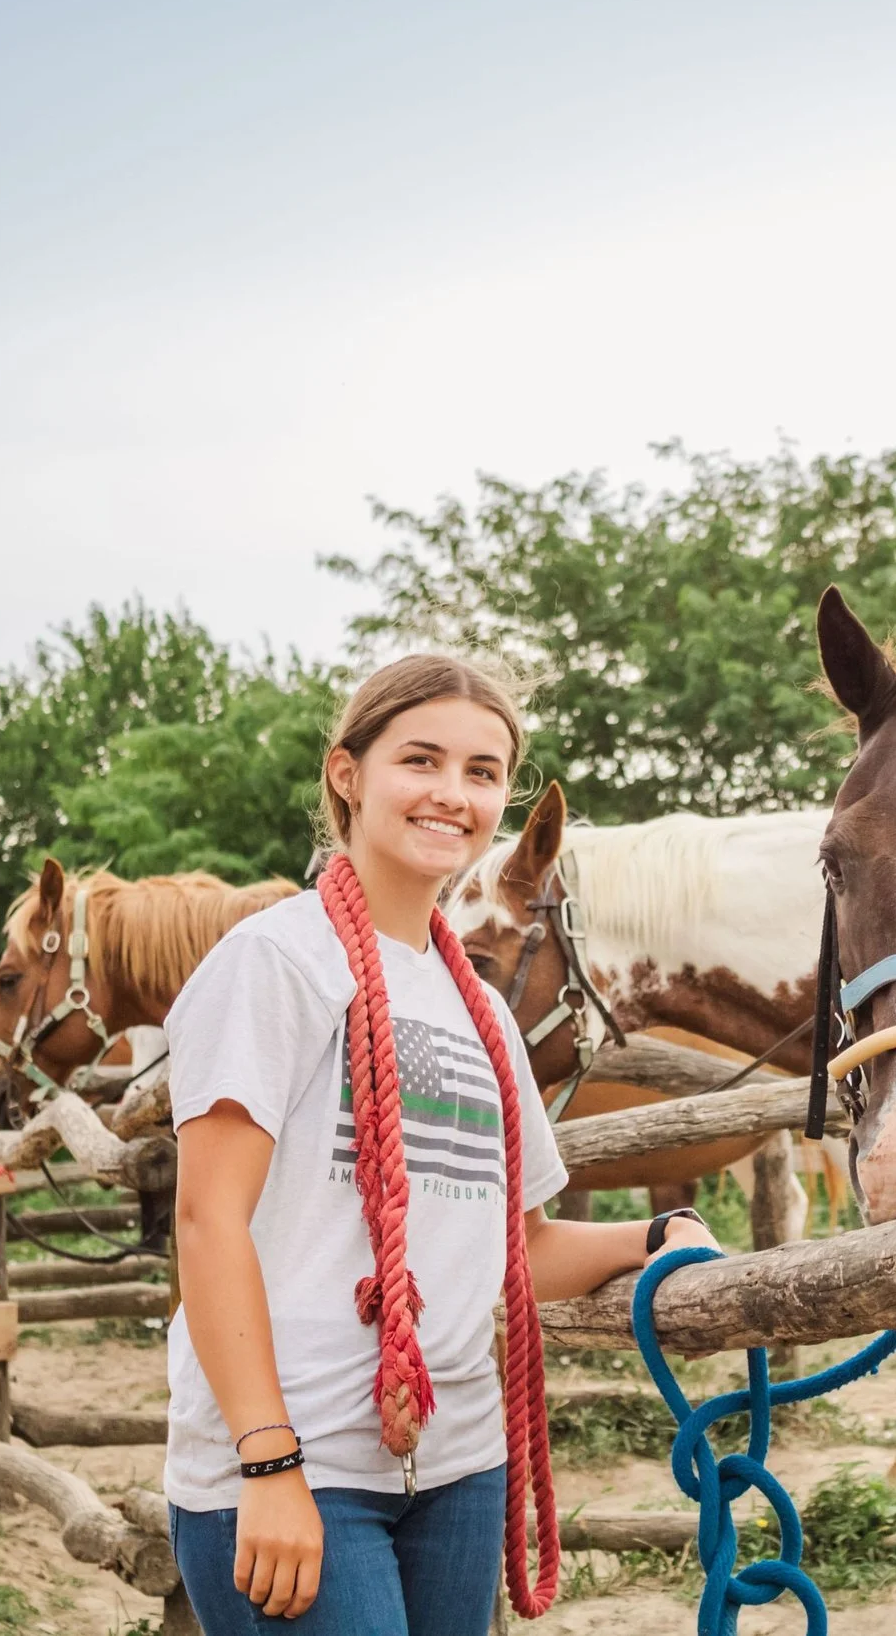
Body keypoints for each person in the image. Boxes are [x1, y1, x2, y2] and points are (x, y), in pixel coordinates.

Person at [164, 655, 713, 1632]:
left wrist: (655, 1239)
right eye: (421, 760)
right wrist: (268, 1456)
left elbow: (519, 1250)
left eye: (482, 771)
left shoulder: (483, 1015)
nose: (452, 794)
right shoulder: (272, 963)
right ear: (348, 774)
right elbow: (209, 1224)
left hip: (456, 1464)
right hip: (298, 1462)